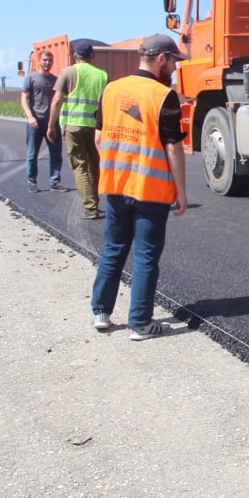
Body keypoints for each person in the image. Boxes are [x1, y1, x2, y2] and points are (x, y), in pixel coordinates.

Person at [91, 33, 189, 340]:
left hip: (115, 186)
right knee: (146, 256)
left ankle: (101, 312)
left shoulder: (112, 90)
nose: (174, 68)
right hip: (150, 190)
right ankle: (140, 323)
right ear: (161, 58)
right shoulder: (163, 95)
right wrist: (181, 191)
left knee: (113, 249)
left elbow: (98, 137)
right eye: (173, 61)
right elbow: (173, 147)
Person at [48, 40, 108, 219]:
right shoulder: (102, 75)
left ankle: (90, 208)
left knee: (79, 166)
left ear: (75, 56)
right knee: (94, 165)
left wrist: (51, 125)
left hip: (73, 125)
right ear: (92, 56)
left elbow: (57, 100)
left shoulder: (68, 72)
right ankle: (94, 201)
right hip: (95, 126)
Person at [21, 50, 63, 192]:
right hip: (35, 123)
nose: (47, 63)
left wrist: (55, 120)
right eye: (45, 60)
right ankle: (32, 182)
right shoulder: (31, 78)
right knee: (32, 154)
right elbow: (24, 99)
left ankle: (55, 181)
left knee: (56, 153)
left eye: (50, 60)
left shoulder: (55, 80)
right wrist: (30, 116)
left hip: (51, 122)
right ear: (39, 61)